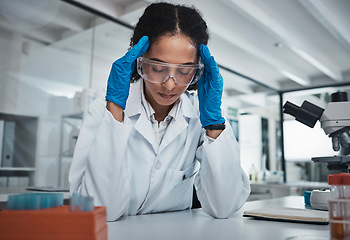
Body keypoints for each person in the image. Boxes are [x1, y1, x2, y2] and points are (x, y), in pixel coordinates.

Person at [69, 2, 250, 221]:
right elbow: (99, 210)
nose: (170, 84)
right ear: (139, 61)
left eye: (184, 71)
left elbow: (224, 207)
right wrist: (115, 110)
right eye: (158, 68)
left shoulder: (199, 118)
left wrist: (213, 122)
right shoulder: (103, 112)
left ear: (198, 70)